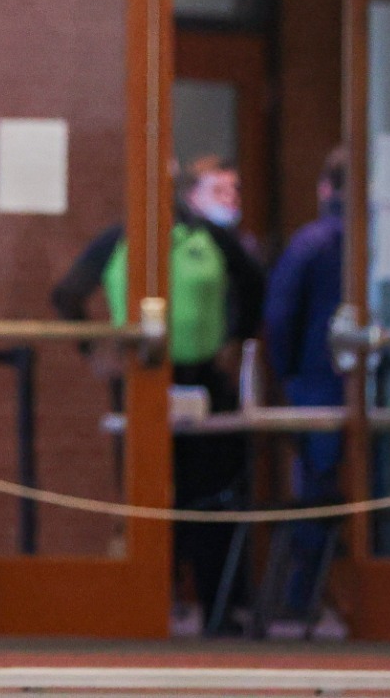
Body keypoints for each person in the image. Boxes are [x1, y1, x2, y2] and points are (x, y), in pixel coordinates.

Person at [50, 169, 264, 629]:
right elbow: (66, 294)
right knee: (146, 498)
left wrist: (236, 340)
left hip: (205, 383)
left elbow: (253, 284)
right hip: (142, 384)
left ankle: (219, 610)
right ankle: (146, 611)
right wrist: (94, 351)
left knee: (210, 498)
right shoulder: (117, 241)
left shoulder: (209, 237)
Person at [262, 147, 349, 599]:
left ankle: (304, 595)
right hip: (361, 381)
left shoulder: (311, 243)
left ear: (324, 189)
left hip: (315, 382)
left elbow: (280, 316)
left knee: (316, 489)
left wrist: (287, 375)